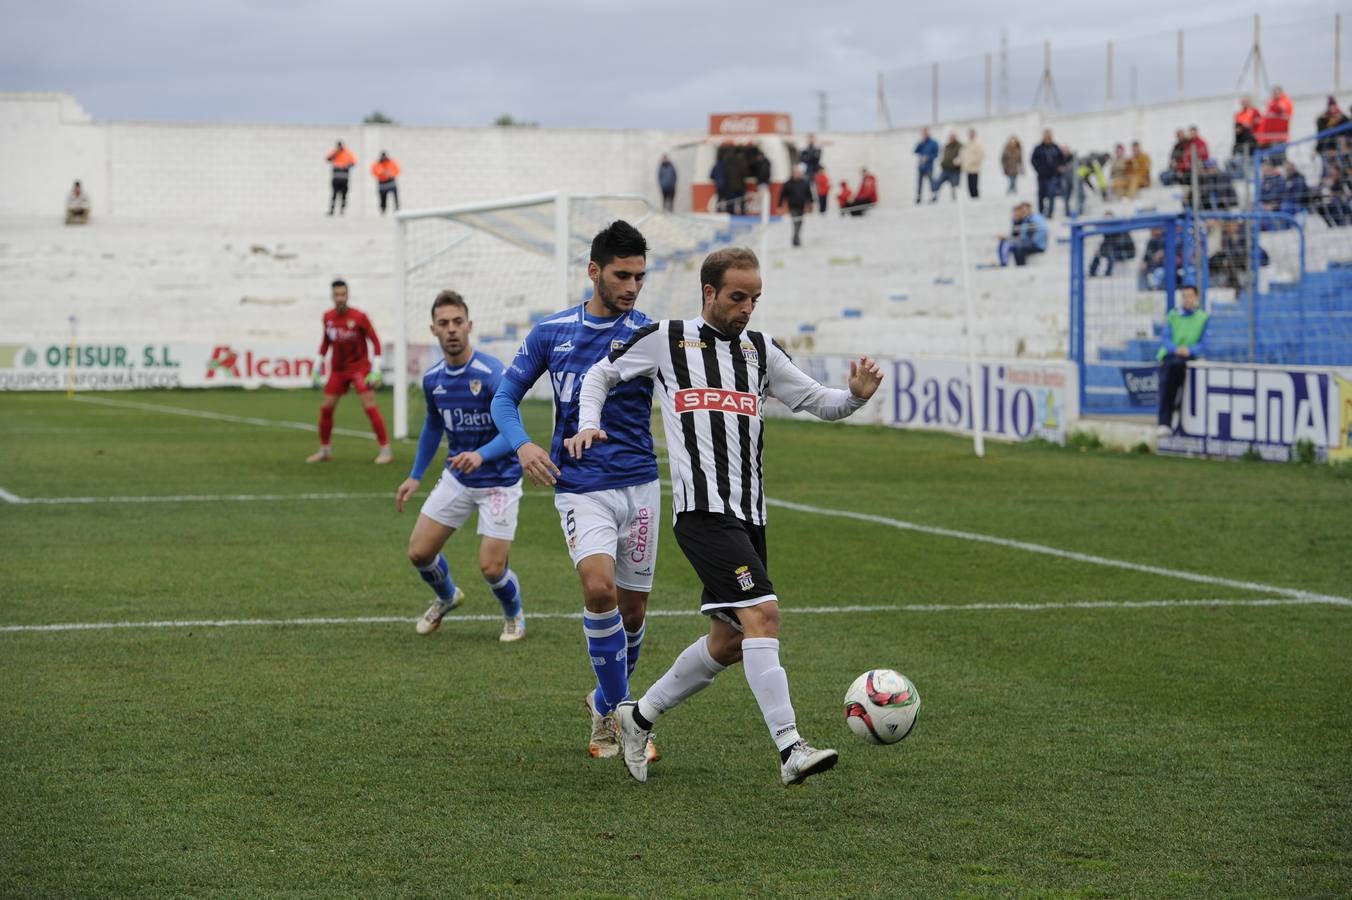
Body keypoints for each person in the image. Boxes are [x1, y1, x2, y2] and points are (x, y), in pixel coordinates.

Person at [563, 246, 884, 787]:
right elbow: (600, 375)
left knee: (730, 640)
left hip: (750, 516)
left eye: (755, 298)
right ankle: (790, 747)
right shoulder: (667, 339)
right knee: (764, 615)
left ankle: (636, 718)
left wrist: (853, 397)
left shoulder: (760, 350)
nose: (747, 308)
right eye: (737, 297)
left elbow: (815, 400)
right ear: (708, 292)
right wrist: (589, 421)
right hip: (702, 513)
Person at [489, 220, 661, 764]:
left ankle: (604, 705)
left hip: (641, 485)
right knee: (600, 591)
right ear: (594, 272)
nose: (632, 287)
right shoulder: (552, 332)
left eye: (639, 276)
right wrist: (522, 446)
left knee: (632, 615)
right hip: (580, 486)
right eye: (622, 275)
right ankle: (626, 714)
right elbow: (503, 400)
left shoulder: (650, 334)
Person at [396, 291, 527, 642]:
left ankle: (514, 615)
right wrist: (415, 476)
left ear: (469, 326)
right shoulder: (433, 379)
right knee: (420, 552)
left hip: (499, 480)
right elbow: (433, 425)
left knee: (491, 567)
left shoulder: (491, 373)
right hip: (459, 478)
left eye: (457, 322)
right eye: (444, 324)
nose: (452, 329)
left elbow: (514, 430)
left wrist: (481, 454)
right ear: (433, 330)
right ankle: (447, 596)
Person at [305, 279, 392, 464]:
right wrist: (318, 363)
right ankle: (325, 450)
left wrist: (375, 369)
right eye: (337, 295)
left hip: (359, 368)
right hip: (338, 369)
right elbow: (326, 342)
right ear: (332, 296)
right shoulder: (327, 317)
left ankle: (385, 450)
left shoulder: (359, 317)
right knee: (326, 408)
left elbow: (375, 341)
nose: (340, 298)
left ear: (348, 295)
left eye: (343, 294)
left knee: (369, 406)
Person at [1155, 283, 1208, 436]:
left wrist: (1190, 350)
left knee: (1178, 375)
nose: (1187, 299)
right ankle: (1164, 422)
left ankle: (1177, 413)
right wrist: (1176, 349)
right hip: (1172, 355)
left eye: (1190, 296)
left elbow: (1204, 343)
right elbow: (1165, 339)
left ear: (1196, 297)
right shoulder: (1172, 315)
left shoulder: (1203, 317)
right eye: (1184, 296)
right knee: (1168, 375)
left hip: (1189, 357)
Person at [996, 202, 1047, 267]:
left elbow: (1038, 234)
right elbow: (1021, 236)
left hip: (1037, 245)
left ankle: (1020, 267)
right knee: (1014, 245)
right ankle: (1013, 265)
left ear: (1030, 209)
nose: (1023, 212)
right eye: (1022, 210)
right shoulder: (1026, 220)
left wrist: (1032, 241)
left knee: (1019, 246)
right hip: (1029, 243)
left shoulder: (1036, 219)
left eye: (1025, 210)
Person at [1030, 130, 1064, 218]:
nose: (1048, 138)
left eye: (1049, 136)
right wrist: (1039, 170)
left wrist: (1058, 168)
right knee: (1041, 196)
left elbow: (1061, 158)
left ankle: (1050, 213)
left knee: (1051, 194)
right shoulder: (1038, 148)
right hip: (1041, 177)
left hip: (1052, 176)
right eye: (1046, 136)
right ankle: (1041, 213)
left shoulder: (1055, 147)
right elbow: (1033, 160)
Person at [777, 163, 812, 247]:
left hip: (801, 206)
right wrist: (779, 206)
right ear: (793, 173)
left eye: (799, 173)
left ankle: (796, 238)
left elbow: (809, 194)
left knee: (800, 223)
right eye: (797, 173)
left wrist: (810, 204)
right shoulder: (788, 184)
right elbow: (782, 195)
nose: (798, 174)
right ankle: (796, 240)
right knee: (796, 222)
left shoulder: (804, 183)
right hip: (793, 206)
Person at [326, 141, 356, 216]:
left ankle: (342, 210)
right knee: (334, 194)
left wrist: (347, 165)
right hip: (336, 178)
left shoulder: (348, 153)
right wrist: (335, 153)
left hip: (344, 179)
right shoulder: (335, 153)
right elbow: (328, 158)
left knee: (344, 195)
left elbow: (353, 162)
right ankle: (332, 210)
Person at [931, 132, 963, 202]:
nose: (950, 139)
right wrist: (941, 162)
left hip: (954, 170)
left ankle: (956, 200)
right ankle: (934, 197)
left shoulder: (959, 146)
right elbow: (942, 155)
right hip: (945, 169)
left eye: (952, 138)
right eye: (949, 138)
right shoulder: (946, 146)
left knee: (955, 186)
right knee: (937, 182)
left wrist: (957, 162)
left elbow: (961, 156)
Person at [914, 128, 939, 204]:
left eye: (925, 133)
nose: (924, 134)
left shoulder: (933, 143)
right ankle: (918, 197)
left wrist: (928, 157)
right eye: (923, 133)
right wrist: (920, 143)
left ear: (928, 133)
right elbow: (915, 151)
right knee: (919, 183)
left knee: (931, 181)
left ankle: (933, 196)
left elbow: (936, 154)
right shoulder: (921, 143)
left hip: (929, 166)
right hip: (921, 166)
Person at [959, 128, 984, 199]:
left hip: (975, 168)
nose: (971, 135)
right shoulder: (967, 144)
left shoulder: (978, 143)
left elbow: (980, 155)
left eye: (972, 134)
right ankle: (972, 201)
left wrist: (973, 162)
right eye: (970, 134)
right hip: (968, 168)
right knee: (969, 186)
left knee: (974, 186)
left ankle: (976, 200)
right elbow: (963, 154)